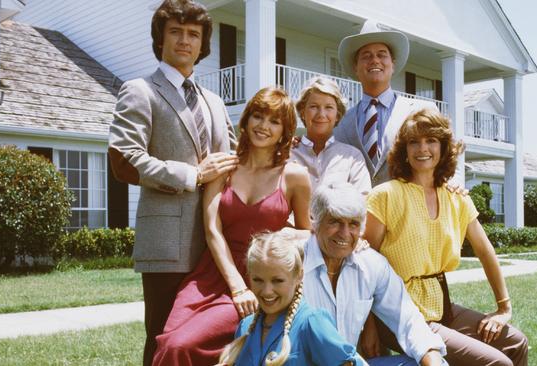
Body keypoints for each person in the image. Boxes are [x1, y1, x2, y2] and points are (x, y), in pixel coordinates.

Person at [107, 1, 237, 364]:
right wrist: (194, 175)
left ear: (202, 43)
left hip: (219, 245)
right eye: (176, 32)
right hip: (166, 245)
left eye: (193, 34)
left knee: (212, 340)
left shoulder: (215, 101)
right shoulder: (140, 90)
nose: (185, 40)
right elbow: (124, 160)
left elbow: (235, 158)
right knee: (163, 338)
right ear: (160, 39)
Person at [152, 87, 312, 365]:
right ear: (247, 119)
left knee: (181, 345)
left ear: (285, 131)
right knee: (169, 340)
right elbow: (212, 230)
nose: (263, 126)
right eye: (258, 117)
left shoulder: (295, 177)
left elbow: (307, 233)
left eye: (274, 121)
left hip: (260, 279)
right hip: (211, 274)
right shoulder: (223, 167)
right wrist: (237, 287)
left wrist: (286, 235)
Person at [363, 110, 528, 366]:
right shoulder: (385, 195)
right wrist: (368, 326)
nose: (422, 149)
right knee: (497, 363)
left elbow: (485, 252)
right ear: (404, 150)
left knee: (516, 342)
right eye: (414, 142)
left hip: (441, 305)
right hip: (398, 313)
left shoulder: (457, 198)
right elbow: (364, 266)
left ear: (443, 147)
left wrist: (503, 308)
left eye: (431, 141)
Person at [300, 183, 447, 366]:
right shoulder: (293, 263)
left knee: (431, 361)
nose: (345, 234)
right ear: (315, 221)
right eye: (335, 221)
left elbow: (407, 318)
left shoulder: (370, 263)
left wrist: (431, 355)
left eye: (353, 224)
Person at [218, 231, 367, 366]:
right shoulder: (245, 326)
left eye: (277, 280)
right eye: (258, 280)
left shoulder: (311, 323)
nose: (267, 291)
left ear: (299, 276)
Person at [333, 20, 438, 187]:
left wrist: (454, 185)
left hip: (409, 210)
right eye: (366, 56)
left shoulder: (422, 110)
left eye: (381, 54)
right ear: (355, 67)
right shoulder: (340, 123)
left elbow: (448, 158)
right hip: (358, 211)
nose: (374, 60)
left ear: (393, 64)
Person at [290, 77, 371, 194]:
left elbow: (363, 202)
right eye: (314, 106)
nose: (321, 114)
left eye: (329, 107)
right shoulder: (287, 153)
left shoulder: (352, 157)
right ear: (302, 112)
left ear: (337, 115)